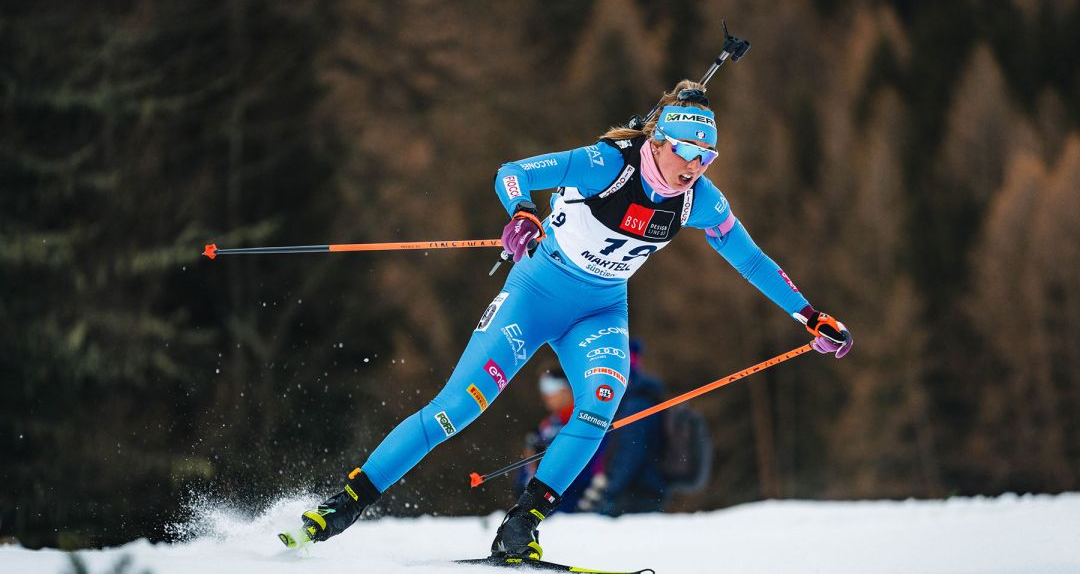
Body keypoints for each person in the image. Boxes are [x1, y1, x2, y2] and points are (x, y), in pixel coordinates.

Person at [292, 80, 853, 560]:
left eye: (707, 158)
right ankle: (345, 504)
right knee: (457, 408)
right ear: (659, 141)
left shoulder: (699, 200)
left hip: (602, 309)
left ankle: (521, 527)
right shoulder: (603, 164)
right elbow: (511, 173)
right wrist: (521, 213)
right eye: (687, 152)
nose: (695, 167)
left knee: (603, 400)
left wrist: (810, 316)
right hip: (534, 294)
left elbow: (749, 258)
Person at [515, 364, 606, 513]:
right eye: (543, 388)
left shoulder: (588, 422)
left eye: (551, 387)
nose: (546, 395)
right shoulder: (545, 428)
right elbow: (523, 479)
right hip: (548, 513)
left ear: (567, 389)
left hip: (579, 512)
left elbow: (588, 468)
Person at [598, 338, 668, 516]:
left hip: (636, 494)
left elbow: (632, 451)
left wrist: (610, 490)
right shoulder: (633, 398)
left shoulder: (636, 403)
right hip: (638, 492)